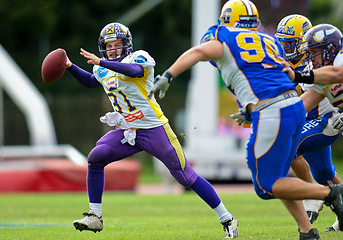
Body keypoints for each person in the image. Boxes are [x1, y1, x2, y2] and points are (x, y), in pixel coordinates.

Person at [148, 0, 343, 239]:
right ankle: (307, 230)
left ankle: (329, 194)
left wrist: (169, 74)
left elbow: (200, 51)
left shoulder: (223, 37)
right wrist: (252, 108)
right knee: (281, 175)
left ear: (226, 20)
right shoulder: (270, 41)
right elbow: (272, 80)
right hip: (293, 107)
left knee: (266, 186)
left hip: (274, 112)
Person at [64, 22, 238, 238]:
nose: (113, 50)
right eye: (108, 46)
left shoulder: (139, 57)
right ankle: (95, 216)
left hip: (153, 128)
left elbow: (135, 71)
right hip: (127, 130)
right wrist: (70, 66)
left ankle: (227, 219)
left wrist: (102, 61)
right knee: (96, 157)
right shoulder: (102, 67)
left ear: (126, 45)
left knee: (185, 176)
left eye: (117, 45)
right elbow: (92, 81)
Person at [275, 15, 343, 225]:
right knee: (324, 173)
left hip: (327, 118)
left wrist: (299, 77)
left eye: (314, 52)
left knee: (289, 145)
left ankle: (313, 196)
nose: (310, 57)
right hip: (322, 120)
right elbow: (301, 105)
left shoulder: (337, 62)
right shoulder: (316, 74)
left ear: (330, 50)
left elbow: (335, 73)